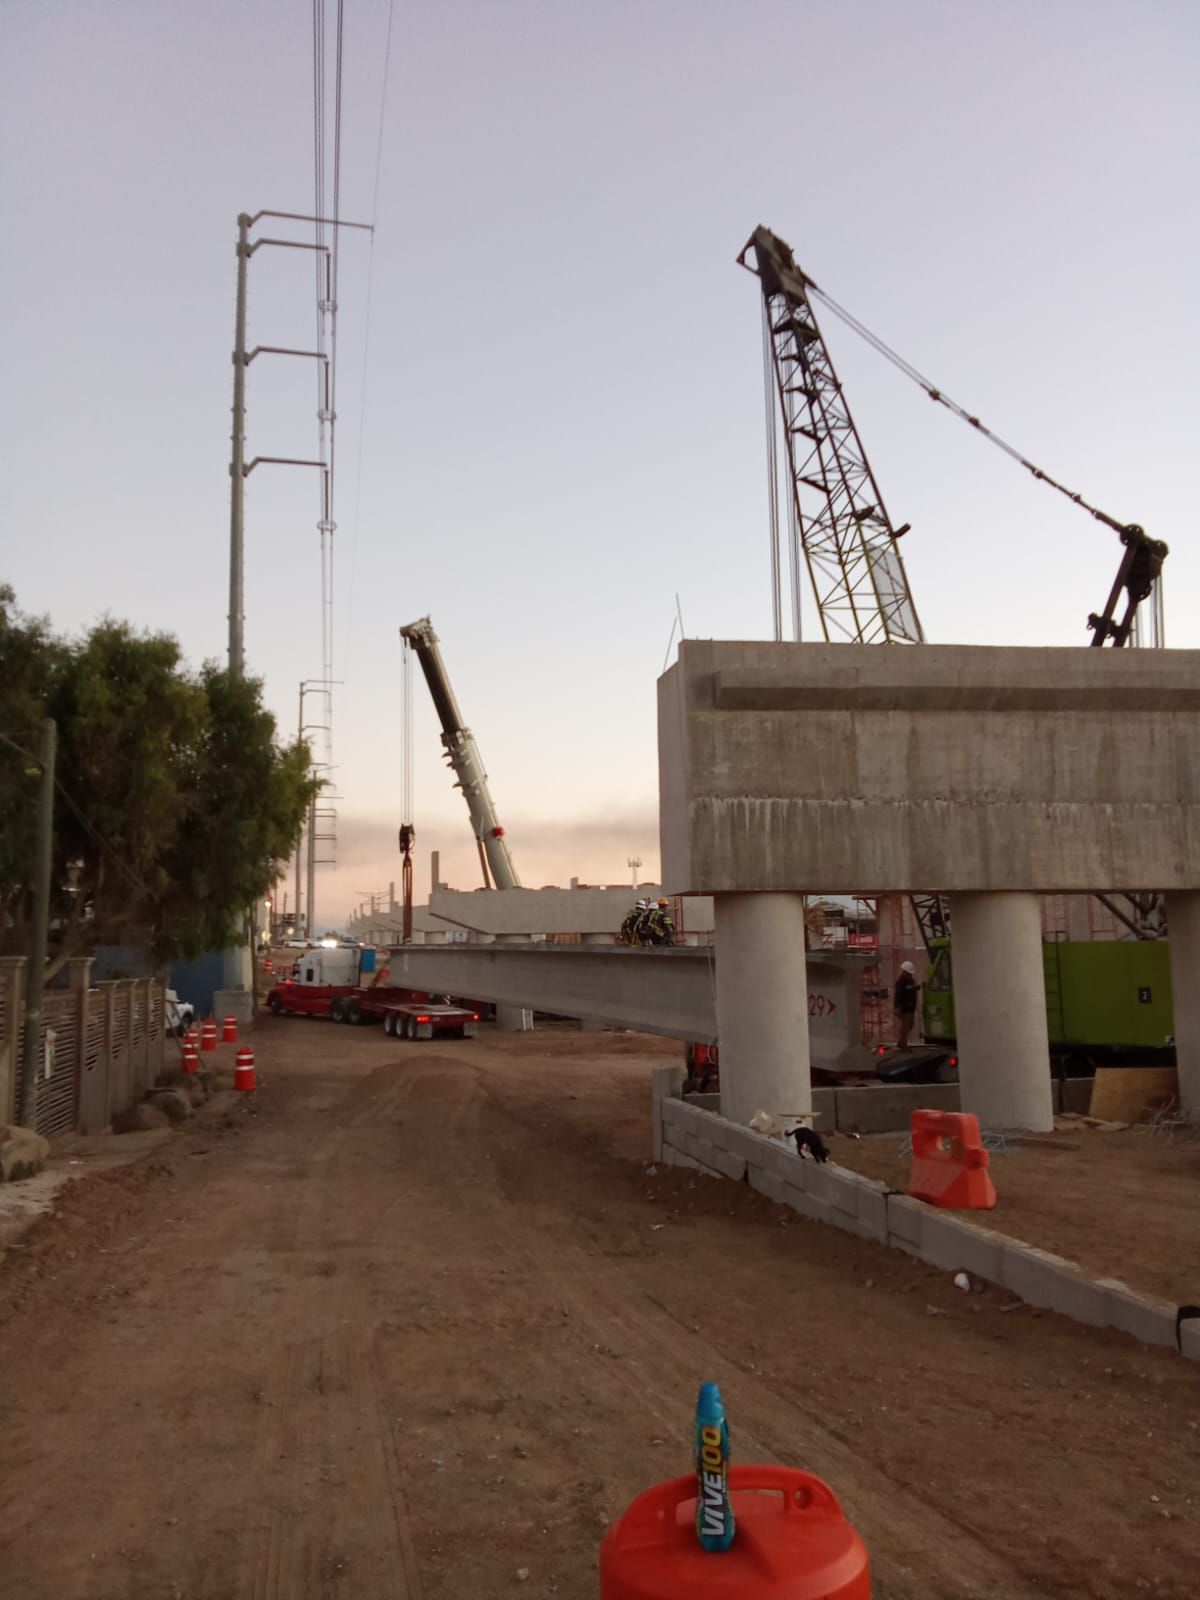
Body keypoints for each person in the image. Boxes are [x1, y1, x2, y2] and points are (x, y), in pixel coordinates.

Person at [893, 960, 919, 1049]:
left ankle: (901, 1042)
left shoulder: (911, 981)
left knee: (910, 1025)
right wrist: (897, 1007)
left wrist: (916, 988)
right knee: (905, 1025)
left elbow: (910, 991)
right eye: (908, 973)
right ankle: (903, 1044)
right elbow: (898, 995)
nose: (910, 975)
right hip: (904, 1008)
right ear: (904, 972)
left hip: (910, 1008)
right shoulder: (900, 982)